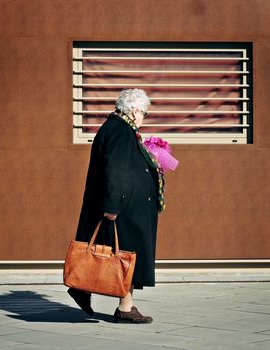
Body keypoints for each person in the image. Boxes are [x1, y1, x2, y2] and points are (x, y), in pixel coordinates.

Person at [68, 88, 166, 323]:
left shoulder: (119, 128)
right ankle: (113, 302)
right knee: (125, 256)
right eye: (143, 112)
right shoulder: (120, 130)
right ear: (133, 110)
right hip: (124, 209)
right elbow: (115, 169)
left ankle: (121, 304)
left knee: (123, 256)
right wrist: (111, 206)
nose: (143, 117)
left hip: (126, 207)